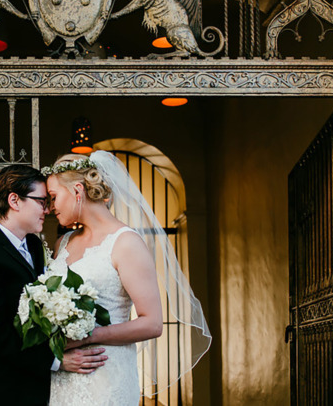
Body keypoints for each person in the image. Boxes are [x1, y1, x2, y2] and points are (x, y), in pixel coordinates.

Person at [43, 152, 211, 405]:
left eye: (54, 197)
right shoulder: (62, 243)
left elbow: (152, 324)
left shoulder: (126, 243)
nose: (50, 207)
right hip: (63, 379)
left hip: (106, 377)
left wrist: (90, 336)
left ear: (78, 190)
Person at [0, 164, 108, 406]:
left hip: (35, 391)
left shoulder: (36, 247)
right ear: (15, 200)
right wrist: (55, 360)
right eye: (41, 201)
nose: (47, 210)